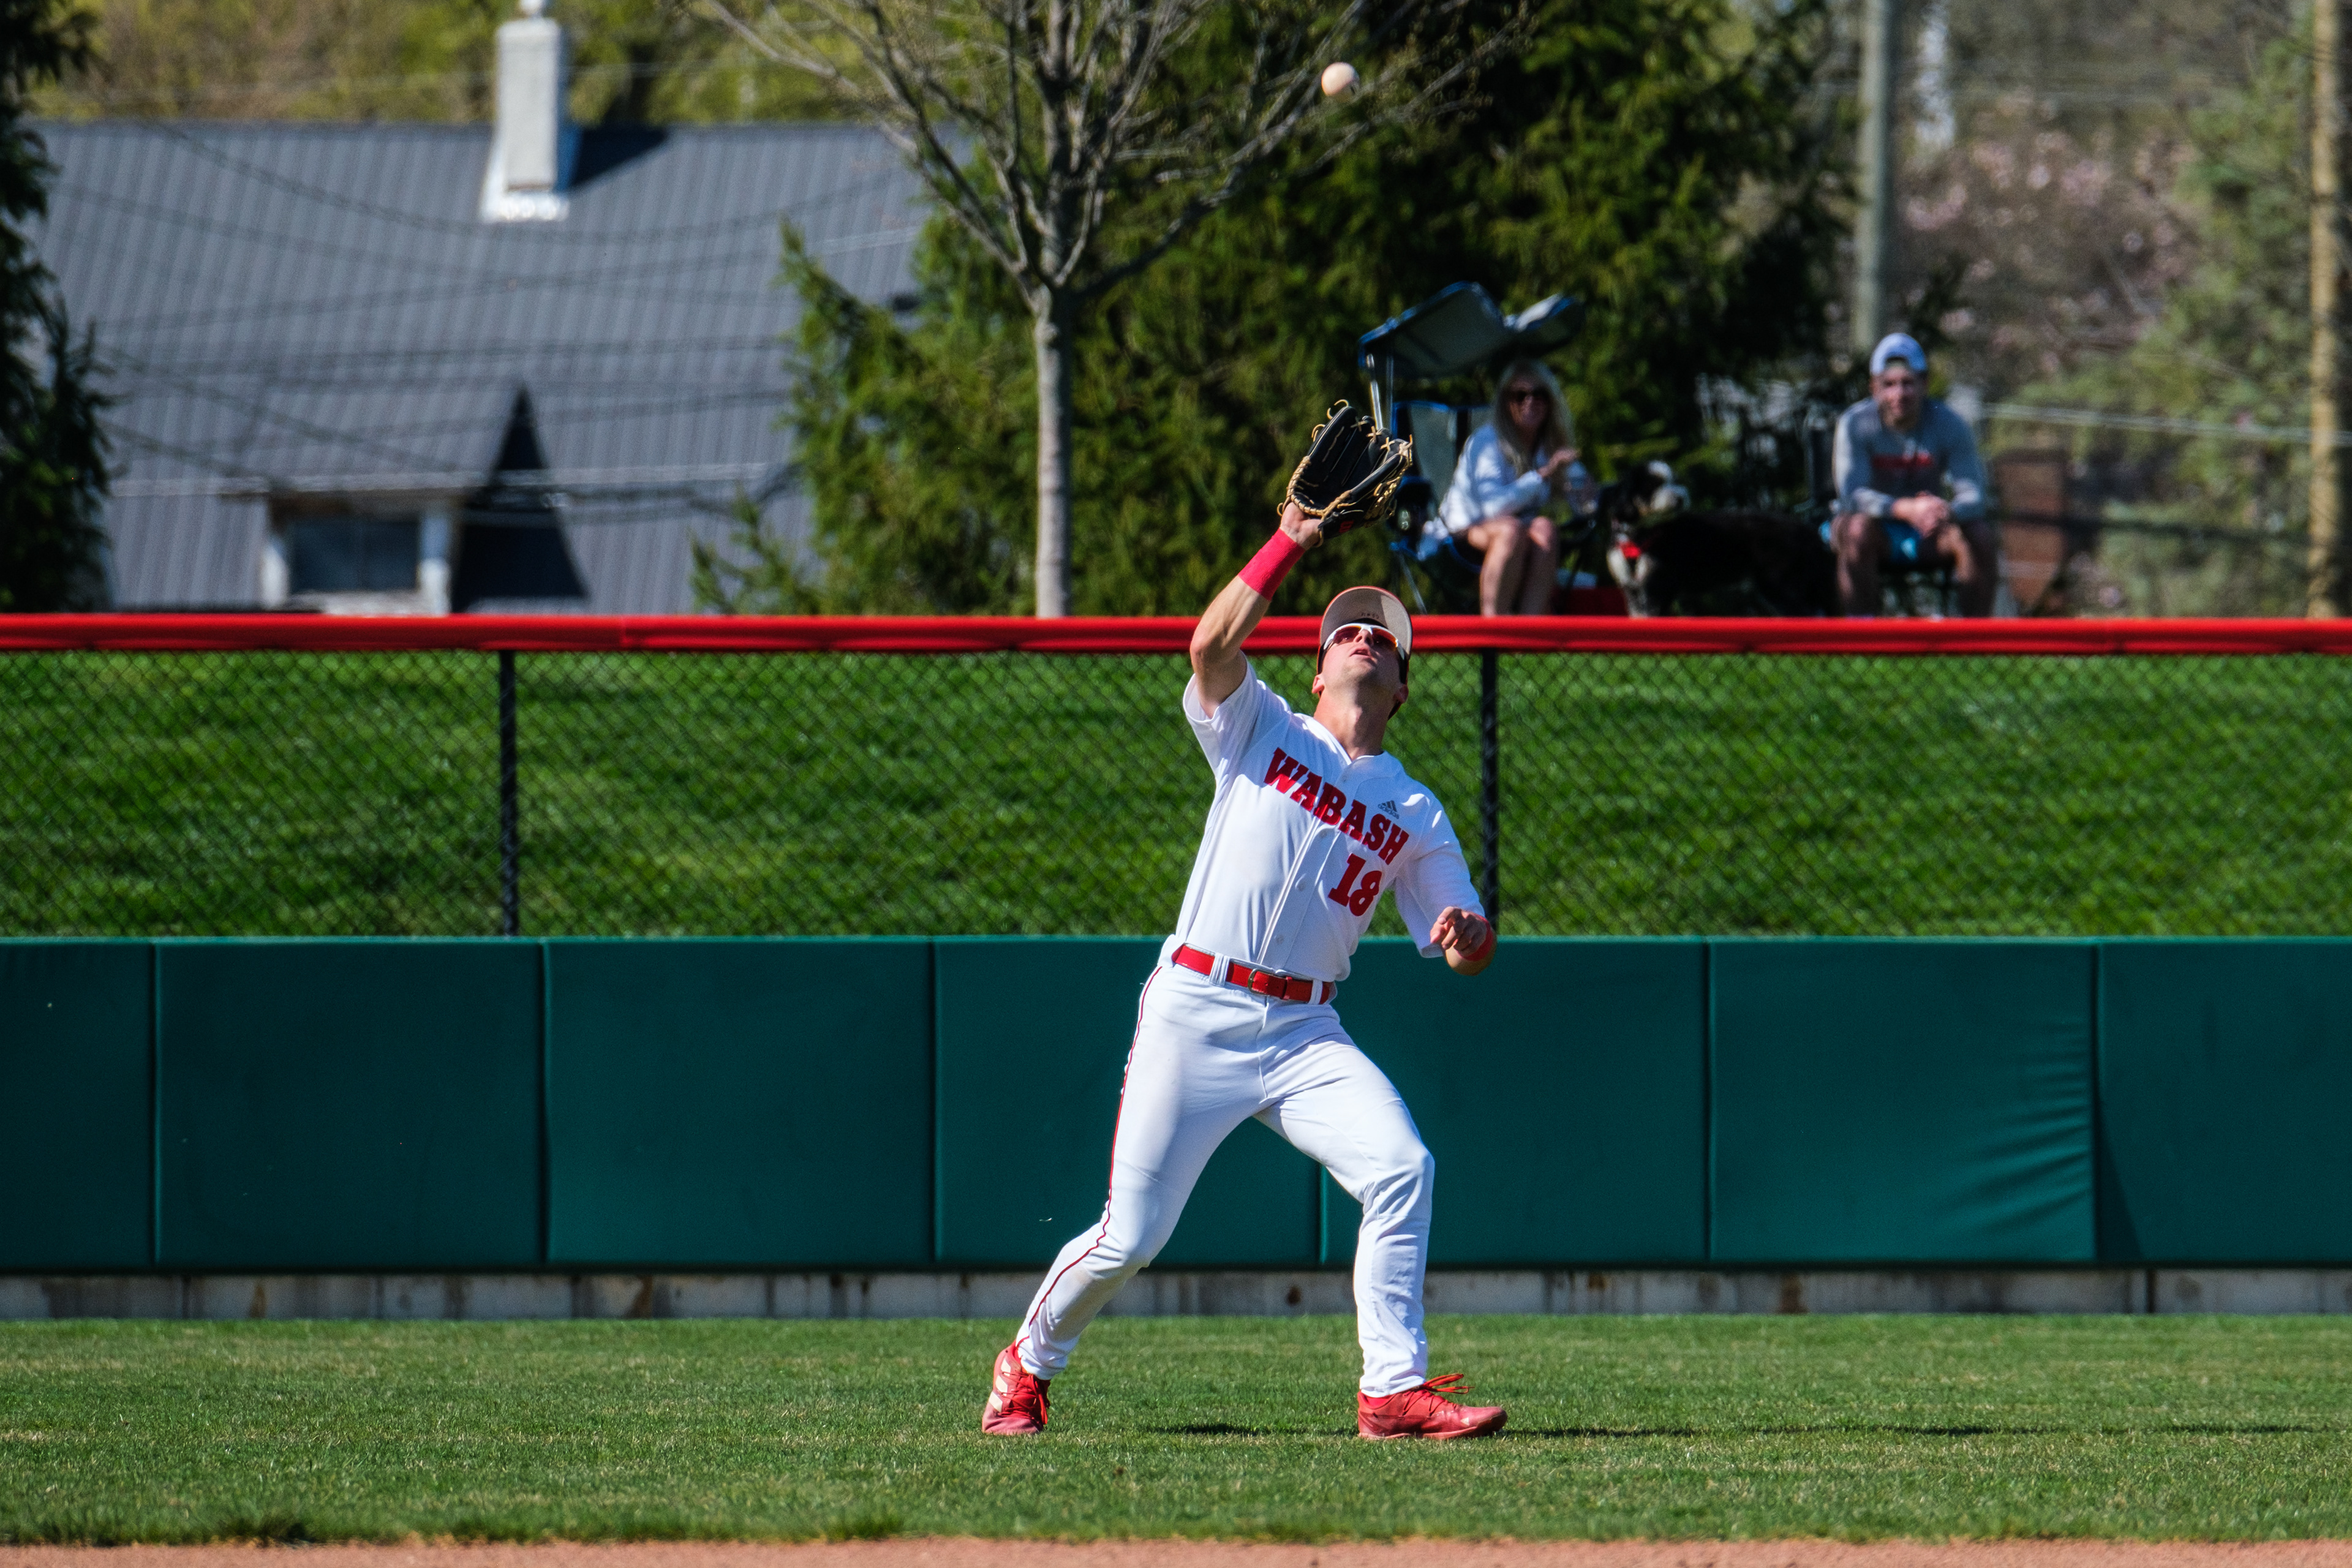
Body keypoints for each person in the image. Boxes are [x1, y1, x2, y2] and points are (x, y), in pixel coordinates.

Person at [981, 500, 1506, 1443]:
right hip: (1197, 1005)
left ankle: (1392, 1390)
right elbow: (1209, 644)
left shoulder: (1416, 809)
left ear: (1401, 686)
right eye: (1345, 629)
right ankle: (1026, 1363)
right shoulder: (1264, 727)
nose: (1362, 638)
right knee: (1130, 1238)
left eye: (1381, 638)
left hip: (1306, 1032)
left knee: (1402, 1168)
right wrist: (1290, 541)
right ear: (1318, 668)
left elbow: (1461, 946)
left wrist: (1469, 935)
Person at [1831, 332, 1997, 616]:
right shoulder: (1854, 424)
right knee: (1855, 529)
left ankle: (1974, 640)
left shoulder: (1951, 425)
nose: (1899, 395)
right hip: (1874, 530)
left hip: (1930, 532)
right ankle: (1862, 638)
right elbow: (1851, 496)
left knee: (1979, 535)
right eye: (1889, 384)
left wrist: (1947, 511)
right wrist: (1904, 508)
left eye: (1908, 384)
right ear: (1874, 387)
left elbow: (1974, 495)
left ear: (1924, 384)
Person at [1433, 358, 1591, 616]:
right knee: (1511, 531)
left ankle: (1528, 637)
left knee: (1546, 529)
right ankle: (1494, 634)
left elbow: (1584, 505)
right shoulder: (1486, 442)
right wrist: (1543, 475)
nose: (1531, 402)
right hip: (1461, 534)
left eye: (1539, 395)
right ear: (1506, 402)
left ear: (1551, 402)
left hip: (1515, 530)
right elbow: (1493, 508)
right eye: (1520, 395)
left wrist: (1586, 494)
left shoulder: (1548, 446)